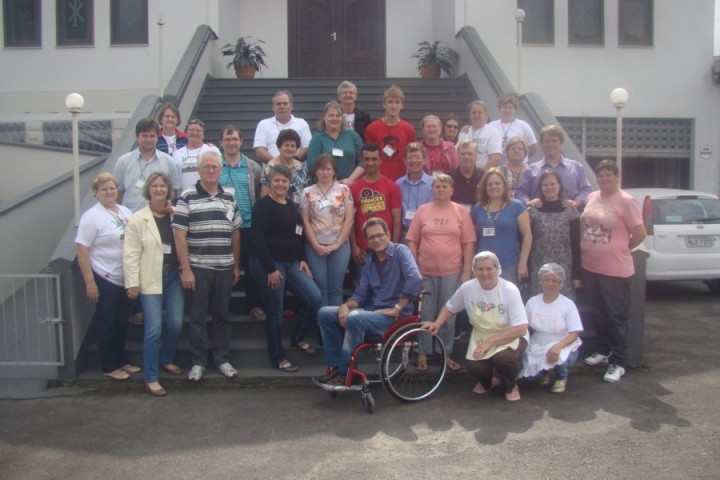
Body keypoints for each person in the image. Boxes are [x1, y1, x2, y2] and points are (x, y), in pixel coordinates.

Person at [314, 218, 422, 386]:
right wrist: (345, 306)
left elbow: (415, 278)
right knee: (325, 313)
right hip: (374, 313)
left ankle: (346, 372)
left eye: (380, 235)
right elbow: (360, 294)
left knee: (355, 318)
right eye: (372, 237)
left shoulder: (401, 251)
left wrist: (397, 307)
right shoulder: (369, 261)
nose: (376, 240)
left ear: (388, 234)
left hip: (397, 317)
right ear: (367, 241)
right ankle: (335, 367)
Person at [173, 151, 242, 382]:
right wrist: (186, 269)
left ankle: (222, 359)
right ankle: (198, 362)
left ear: (220, 170)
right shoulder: (186, 197)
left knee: (222, 315)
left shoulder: (230, 197)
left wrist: (236, 264)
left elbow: (235, 232)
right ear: (199, 170)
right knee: (198, 317)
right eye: (207, 167)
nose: (211, 170)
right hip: (199, 268)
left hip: (224, 266)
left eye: (215, 167)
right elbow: (180, 236)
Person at [423, 251, 528, 401]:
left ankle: (511, 385)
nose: (484, 273)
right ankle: (491, 381)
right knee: (474, 367)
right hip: (481, 335)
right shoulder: (467, 288)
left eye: (489, 268)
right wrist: (437, 323)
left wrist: (489, 343)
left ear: (498, 269)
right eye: (480, 269)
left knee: (503, 359)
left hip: (509, 335)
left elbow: (521, 328)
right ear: (474, 271)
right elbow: (450, 307)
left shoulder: (510, 290)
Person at [249, 164, 322, 372]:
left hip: (291, 263)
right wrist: (270, 269)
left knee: (314, 298)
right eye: (277, 180)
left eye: (284, 180)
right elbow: (257, 240)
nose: (281, 184)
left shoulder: (291, 205)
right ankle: (277, 357)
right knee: (275, 311)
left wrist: (302, 258)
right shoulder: (262, 206)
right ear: (270, 182)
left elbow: (298, 234)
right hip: (268, 264)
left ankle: (297, 337)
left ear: (289, 183)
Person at [580, 159, 646, 383]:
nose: (605, 179)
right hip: (590, 266)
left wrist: (622, 248)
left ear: (617, 177)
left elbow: (640, 233)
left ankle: (618, 361)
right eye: (601, 175)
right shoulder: (592, 197)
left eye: (609, 175)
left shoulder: (627, 201)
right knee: (598, 313)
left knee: (616, 317)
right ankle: (603, 350)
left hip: (615, 270)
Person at [406, 173, 476, 372]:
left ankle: (446, 352)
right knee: (426, 313)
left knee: (449, 314)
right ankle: (423, 352)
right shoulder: (423, 210)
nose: (441, 189)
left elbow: (468, 243)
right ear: (432, 189)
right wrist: (414, 264)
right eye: (437, 185)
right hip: (425, 272)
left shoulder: (460, 211)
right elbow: (412, 239)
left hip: (452, 271)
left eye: (445, 185)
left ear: (452, 190)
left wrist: (466, 272)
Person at [123, 173, 183, 396]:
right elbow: (130, 254)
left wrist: (174, 212)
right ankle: (151, 377)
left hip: (173, 277)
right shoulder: (138, 219)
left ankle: (166, 358)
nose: (159, 189)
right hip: (150, 278)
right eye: (155, 186)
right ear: (149, 190)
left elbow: (187, 233)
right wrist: (132, 282)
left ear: (169, 190)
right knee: (154, 329)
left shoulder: (174, 214)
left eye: (163, 186)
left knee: (176, 323)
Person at [75, 173, 140, 381]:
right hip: (105, 276)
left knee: (121, 321)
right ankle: (109, 365)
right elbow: (82, 249)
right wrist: (90, 282)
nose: (110, 192)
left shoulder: (124, 211)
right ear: (96, 193)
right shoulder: (91, 217)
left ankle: (122, 360)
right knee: (107, 321)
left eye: (112, 188)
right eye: (104, 189)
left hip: (125, 276)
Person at [218, 125, 266, 322]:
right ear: (221, 142)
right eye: (227, 139)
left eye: (234, 139)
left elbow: (259, 193)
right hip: (221, 227)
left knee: (252, 268)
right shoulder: (215, 166)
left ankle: (254, 305)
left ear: (241, 141)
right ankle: (222, 308)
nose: (231, 143)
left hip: (247, 225)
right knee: (223, 269)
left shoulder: (252, 167)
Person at [300, 154, 355, 307]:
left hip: (340, 245)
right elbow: (305, 221)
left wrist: (337, 244)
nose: (325, 172)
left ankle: (335, 324)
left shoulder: (344, 190)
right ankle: (322, 325)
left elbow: (349, 219)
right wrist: (316, 245)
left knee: (336, 288)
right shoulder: (307, 192)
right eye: (321, 169)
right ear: (315, 171)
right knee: (321, 287)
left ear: (334, 171)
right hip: (315, 245)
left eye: (328, 169)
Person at [520, 263, 583, 393]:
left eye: (555, 281)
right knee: (531, 377)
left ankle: (561, 376)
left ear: (561, 284)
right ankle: (545, 372)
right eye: (547, 280)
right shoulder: (532, 302)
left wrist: (558, 346)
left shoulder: (568, 304)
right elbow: (524, 325)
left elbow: (574, 333)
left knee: (558, 357)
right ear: (541, 282)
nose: (550, 284)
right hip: (538, 341)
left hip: (563, 341)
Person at [471, 168, 532, 285]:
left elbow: (527, 236)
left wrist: (523, 263)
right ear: (484, 187)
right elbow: (473, 240)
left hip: (509, 264)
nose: (494, 187)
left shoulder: (516, 206)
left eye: (497, 183)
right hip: (483, 266)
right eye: (490, 184)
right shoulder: (477, 209)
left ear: (504, 185)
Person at [527, 169, 581, 298]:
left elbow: (576, 243)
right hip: (538, 266)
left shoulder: (570, 211)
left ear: (559, 186)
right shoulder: (532, 211)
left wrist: (577, 274)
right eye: (545, 185)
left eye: (553, 184)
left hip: (564, 267)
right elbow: (527, 241)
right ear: (540, 187)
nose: (549, 187)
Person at [515, 124, 593, 209]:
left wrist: (576, 202)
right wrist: (528, 202)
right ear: (541, 144)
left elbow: (586, 190)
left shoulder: (576, 167)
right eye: (547, 141)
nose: (550, 144)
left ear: (561, 143)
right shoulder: (531, 170)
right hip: (538, 218)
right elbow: (520, 192)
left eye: (554, 140)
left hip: (570, 218)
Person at [349, 143, 402, 267]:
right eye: (367, 159)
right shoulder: (353, 188)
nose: (370, 163)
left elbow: (397, 219)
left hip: (386, 245)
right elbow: (350, 220)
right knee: (365, 284)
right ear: (362, 160)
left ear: (381, 160)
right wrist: (354, 246)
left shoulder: (392, 186)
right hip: (363, 248)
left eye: (374, 159)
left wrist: (393, 246)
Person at [113, 118, 180, 213]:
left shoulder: (169, 161)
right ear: (137, 137)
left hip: (161, 217)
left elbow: (174, 191)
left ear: (157, 137)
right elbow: (118, 193)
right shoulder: (123, 161)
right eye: (144, 136)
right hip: (131, 217)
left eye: (152, 136)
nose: (149, 140)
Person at [364, 84, 416, 181]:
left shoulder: (409, 129)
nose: (393, 106)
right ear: (384, 104)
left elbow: (411, 156)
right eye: (390, 102)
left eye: (397, 102)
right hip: (378, 179)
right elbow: (368, 157)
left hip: (402, 180)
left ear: (402, 105)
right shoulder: (372, 128)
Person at [307, 101, 364, 185]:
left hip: (351, 185)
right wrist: (332, 182)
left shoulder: (352, 136)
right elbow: (312, 165)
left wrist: (350, 180)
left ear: (342, 118)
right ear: (324, 117)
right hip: (325, 186)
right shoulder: (318, 138)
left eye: (338, 116)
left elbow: (363, 160)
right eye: (331, 115)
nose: (334, 118)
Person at [253, 90, 312, 167]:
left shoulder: (302, 123)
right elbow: (260, 151)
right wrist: (278, 164)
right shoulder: (263, 124)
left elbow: (307, 148)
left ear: (291, 106)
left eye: (285, 103)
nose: (282, 106)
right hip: (272, 172)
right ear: (273, 107)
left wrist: (291, 163)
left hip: (296, 171)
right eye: (278, 104)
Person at [260, 129, 308, 206]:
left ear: (296, 149)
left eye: (293, 146)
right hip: (276, 212)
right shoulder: (271, 168)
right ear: (279, 147)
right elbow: (264, 197)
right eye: (286, 145)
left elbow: (306, 194)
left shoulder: (301, 168)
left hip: (298, 213)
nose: (289, 149)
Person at [172, 118, 222, 193]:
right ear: (186, 133)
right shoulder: (177, 154)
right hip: (184, 198)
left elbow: (220, 172)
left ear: (203, 134)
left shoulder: (212, 150)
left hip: (207, 197)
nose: (194, 132)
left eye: (198, 130)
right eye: (191, 130)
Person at [396, 143, 433, 238]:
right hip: (405, 233)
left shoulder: (433, 184)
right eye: (410, 157)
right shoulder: (398, 184)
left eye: (417, 157)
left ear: (424, 160)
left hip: (427, 234)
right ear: (404, 160)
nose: (414, 160)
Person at [488, 93, 538, 162]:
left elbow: (533, 147)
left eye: (510, 108)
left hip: (518, 168)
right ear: (500, 109)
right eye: (504, 107)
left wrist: (522, 158)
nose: (507, 110)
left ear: (515, 109)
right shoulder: (491, 126)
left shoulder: (523, 126)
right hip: (497, 167)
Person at [458, 100, 502, 170]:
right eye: (473, 112)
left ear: (486, 115)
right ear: (470, 115)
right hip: (465, 174)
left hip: (485, 175)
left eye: (480, 113)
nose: (476, 115)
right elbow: (458, 155)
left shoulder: (493, 132)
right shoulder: (463, 133)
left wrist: (480, 174)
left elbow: (495, 159)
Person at [448, 139, 484, 210]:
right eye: (463, 154)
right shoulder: (449, 178)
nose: (466, 157)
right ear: (457, 155)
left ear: (477, 156)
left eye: (470, 154)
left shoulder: (485, 177)